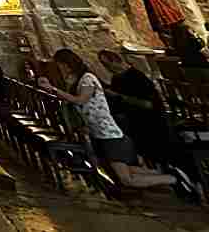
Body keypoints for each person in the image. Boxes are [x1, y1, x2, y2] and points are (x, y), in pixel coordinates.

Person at [39, 48, 197, 200]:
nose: (61, 69)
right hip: (101, 132)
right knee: (125, 171)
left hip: (110, 132)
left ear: (67, 64)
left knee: (126, 178)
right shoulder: (81, 80)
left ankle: (173, 178)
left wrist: (53, 89)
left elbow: (81, 100)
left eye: (60, 65)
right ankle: (172, 175)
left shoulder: (88, 78)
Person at [98, 49, 169, 167]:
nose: (107, 68)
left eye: (107, 64)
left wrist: (118, 96)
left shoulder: (137, 77)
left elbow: (148, 104)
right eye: (104, 65)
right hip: (133, 124)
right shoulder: (117, 78)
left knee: (158, 157)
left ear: (115, 61)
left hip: (151, 123)